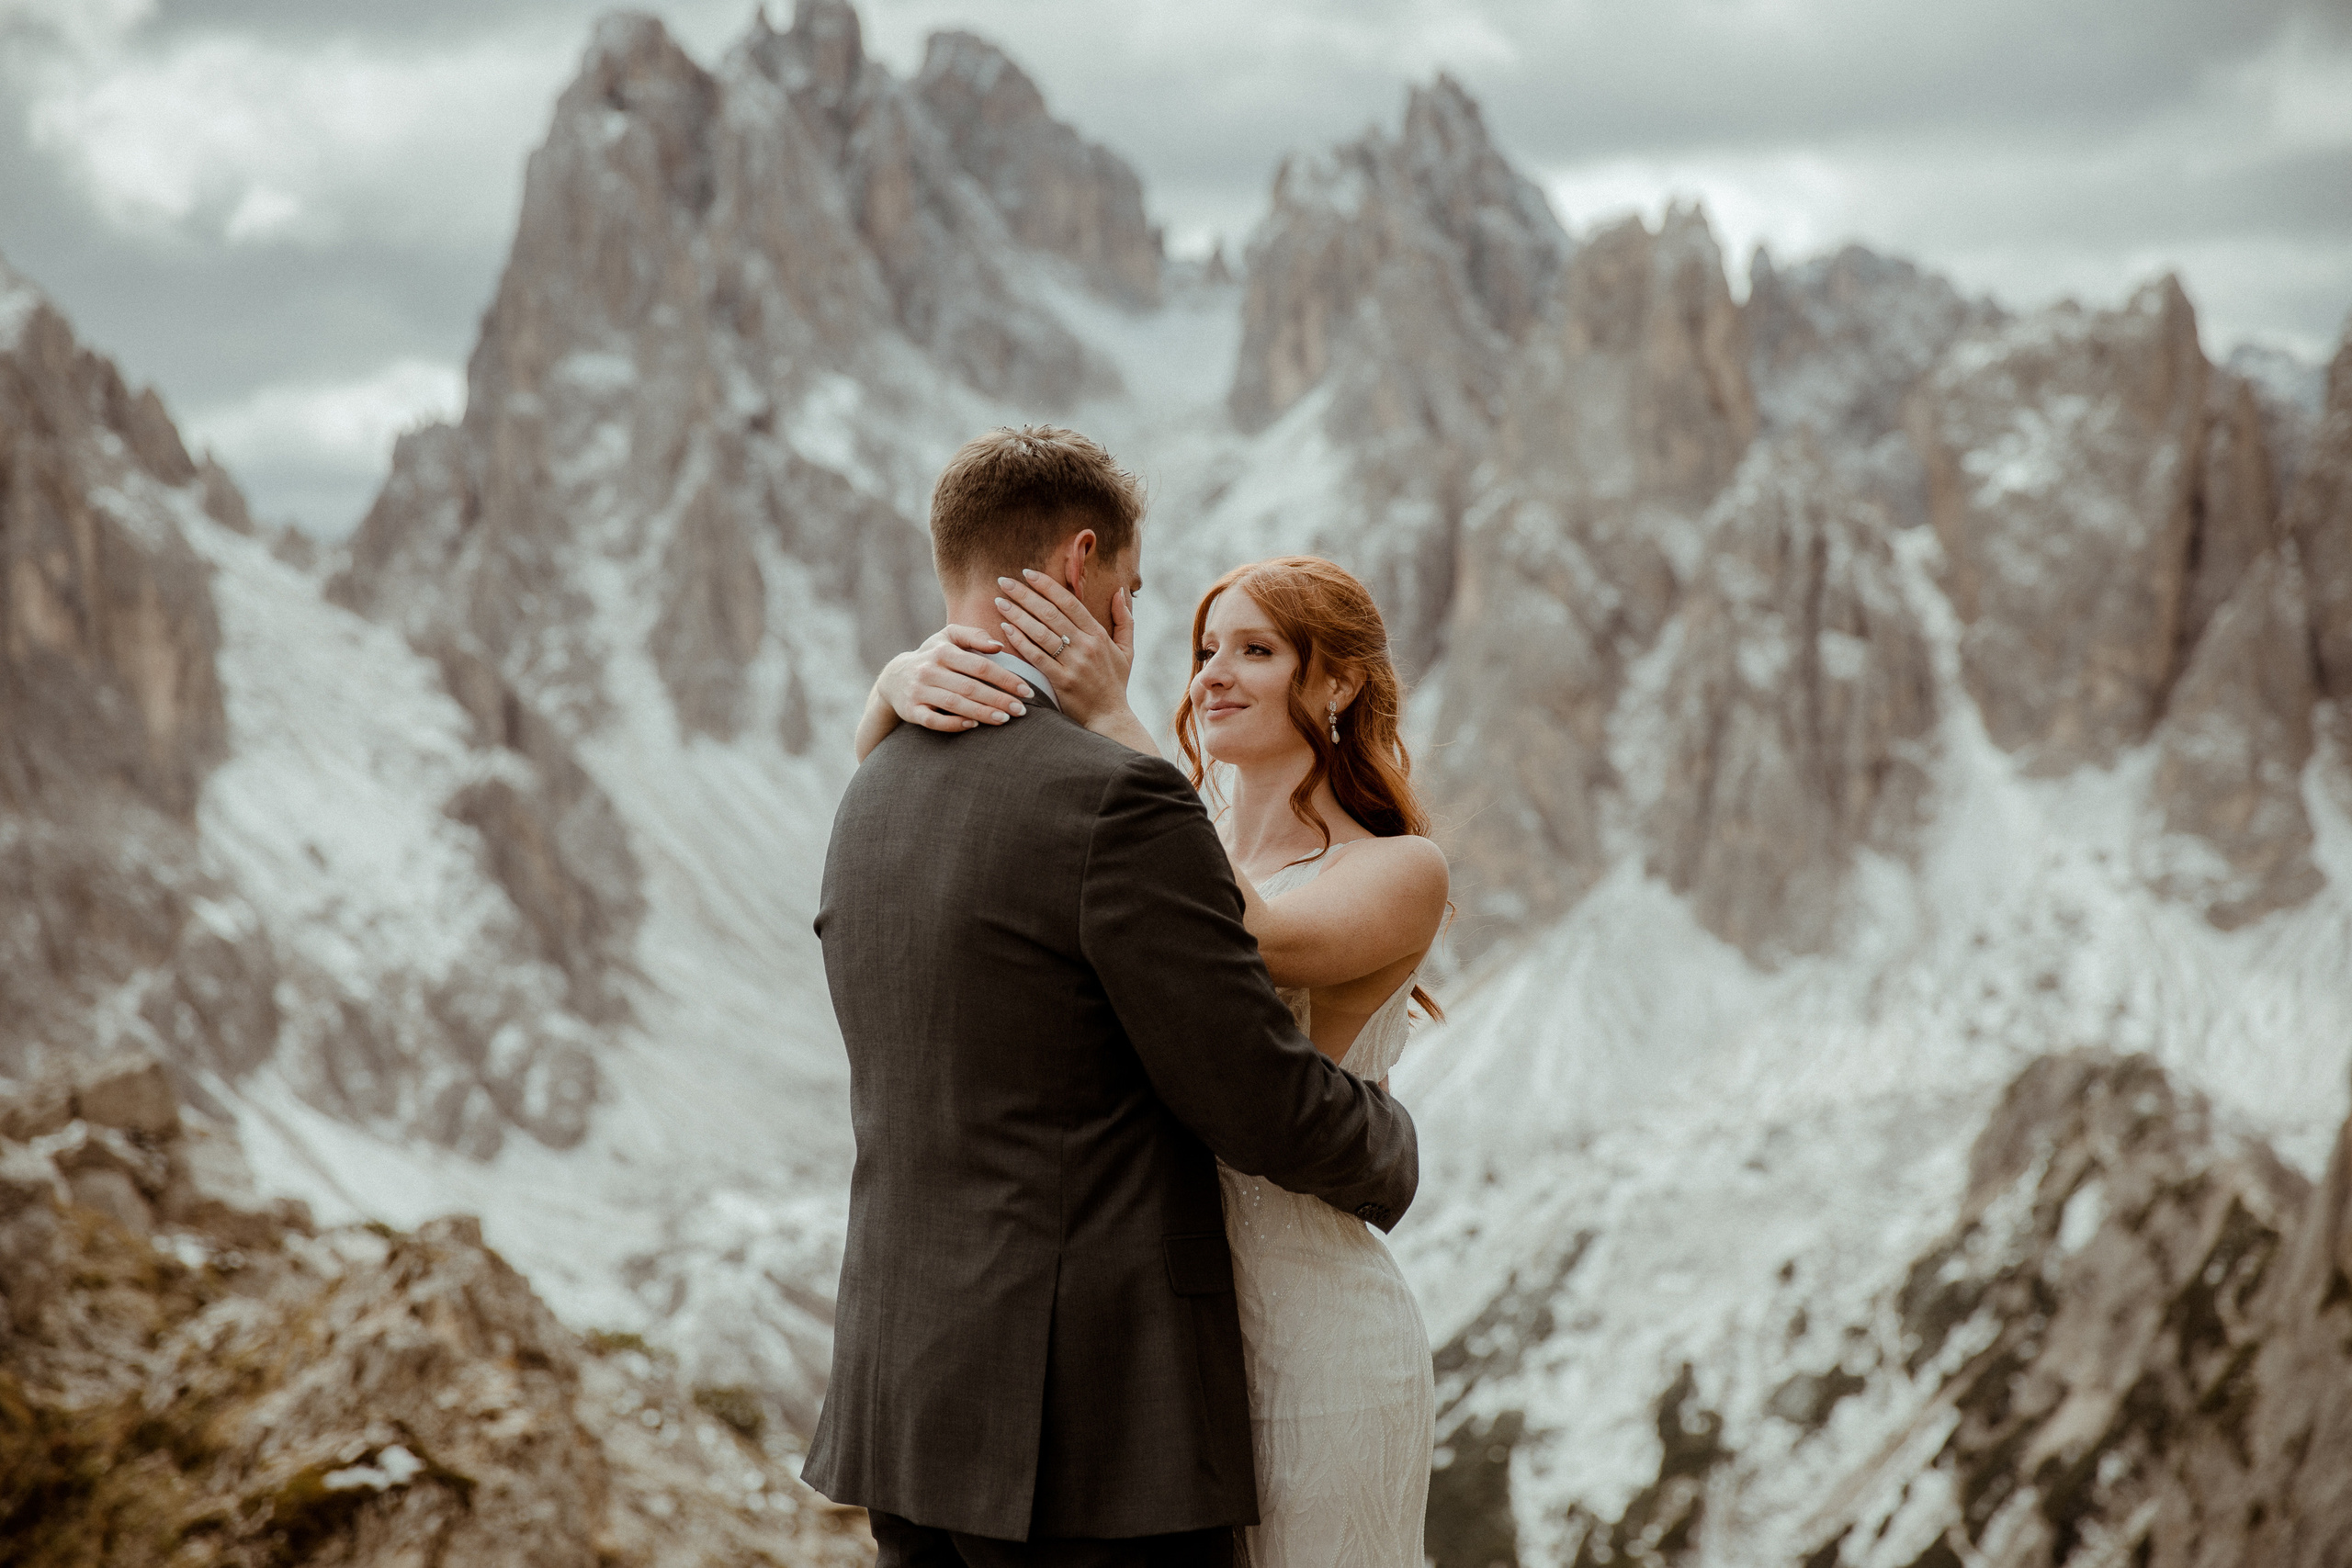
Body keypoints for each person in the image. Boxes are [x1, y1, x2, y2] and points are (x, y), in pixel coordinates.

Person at [807, 425, 1419, 1568]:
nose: (1145, 630)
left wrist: (896, 679)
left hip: (909, 1402)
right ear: (1081, 566)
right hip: (1089, 1428)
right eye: (1134, 590)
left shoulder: (871, 786)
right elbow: (1252, 1096)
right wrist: (1392, 1150)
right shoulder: (1122, 802)